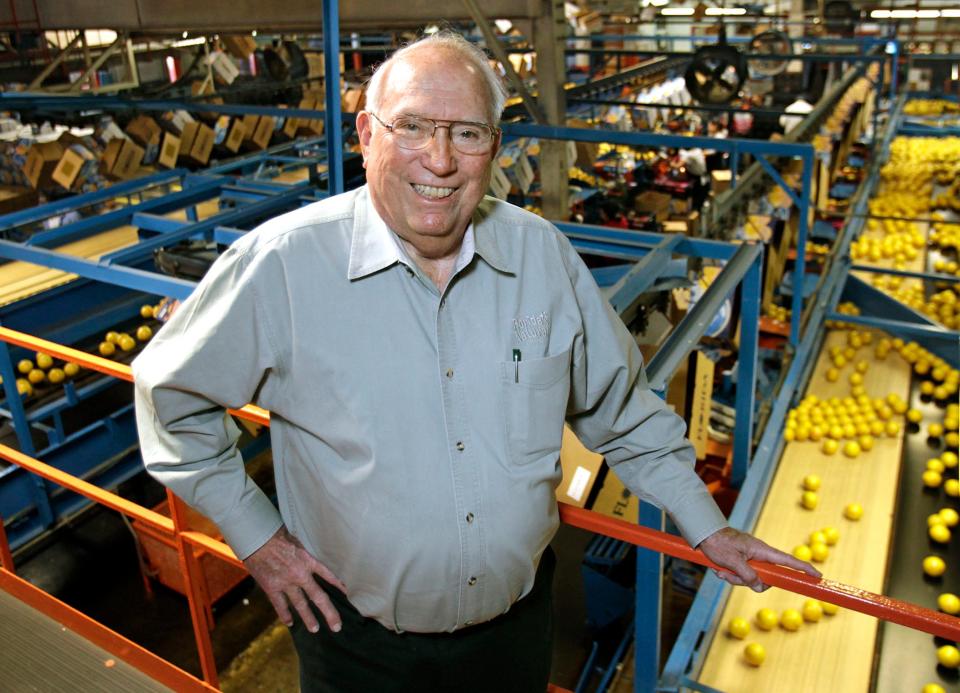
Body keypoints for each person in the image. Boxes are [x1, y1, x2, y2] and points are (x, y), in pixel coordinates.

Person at [133, 31, 819, 693]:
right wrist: (260, 538)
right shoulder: (281, 266)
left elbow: (622, 409)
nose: (438, 160)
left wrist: (708, 525)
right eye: (411, 127)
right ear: (367, 136)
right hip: (357, 645)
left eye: (465, 133)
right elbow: (168, 393)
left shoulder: (540, 256)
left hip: (512, 636)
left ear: (494, 147)